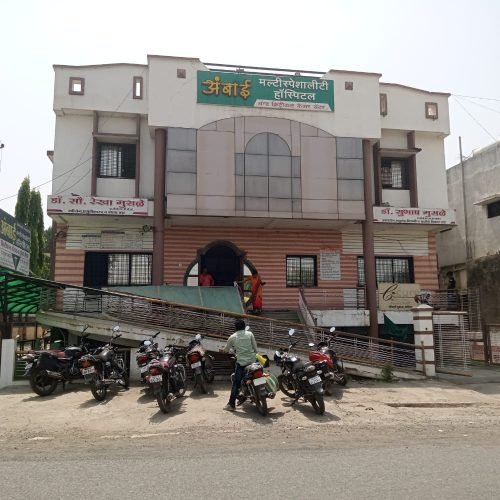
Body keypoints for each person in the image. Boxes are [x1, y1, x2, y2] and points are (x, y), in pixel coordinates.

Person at [222, 319, 258, 411]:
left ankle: (231, 404)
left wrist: (224, 350)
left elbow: (226, 349)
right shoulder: (250, 334)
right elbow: (255, 348)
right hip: (253, 360)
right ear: (244, 326)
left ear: (235, 327)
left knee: (236, 383)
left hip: (242, 363)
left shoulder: (232, 337)